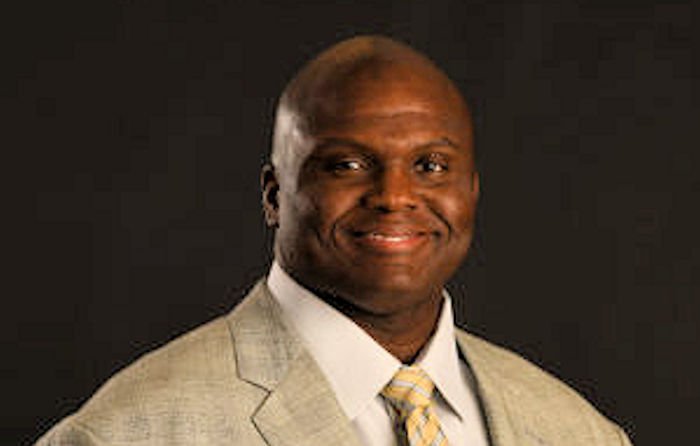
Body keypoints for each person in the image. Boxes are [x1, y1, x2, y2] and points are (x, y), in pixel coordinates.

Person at [37, 36, 632, 445]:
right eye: (347, 165)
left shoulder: (580, 433)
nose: (394, 196)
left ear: (471, 192)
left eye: (430, 166)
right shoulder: (125, 434)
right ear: (274, 195)